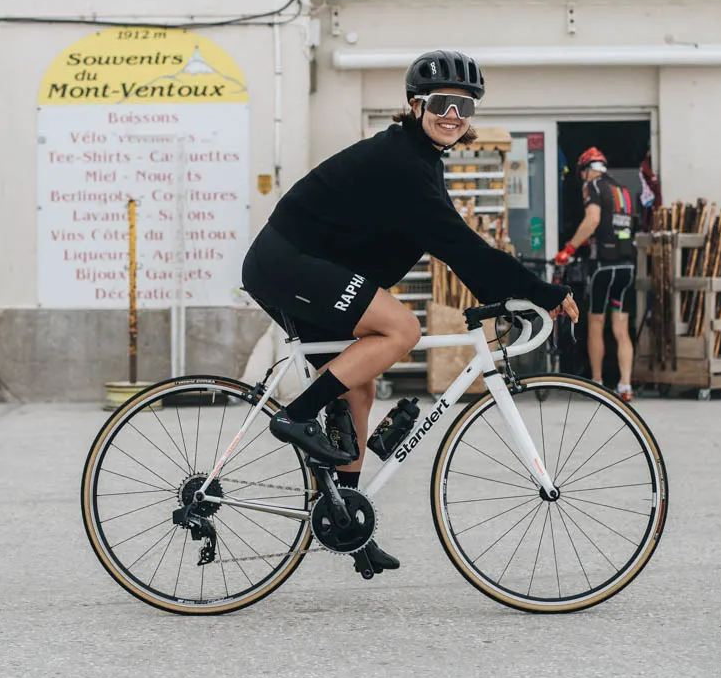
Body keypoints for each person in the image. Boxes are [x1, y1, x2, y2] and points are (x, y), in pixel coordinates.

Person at [241, 49, 579, 575]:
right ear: (416, 104)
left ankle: (344, 523)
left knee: (359, 386)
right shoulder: (403, 163)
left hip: (303, 266)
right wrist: (545, 292)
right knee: (402, 328)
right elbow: (464, 248)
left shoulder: (419, 161)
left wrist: (515, 292)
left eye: (465, 108)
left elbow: (454, 247)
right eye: (443, 103)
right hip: (286, 264)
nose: (453, 116)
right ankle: (296, 414)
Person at [555, 146, 637, 401]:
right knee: (621, 328)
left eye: (582, 174)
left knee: (596, 323)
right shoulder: (622, 190)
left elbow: (592, 219)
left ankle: (597, 383)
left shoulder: (593, 186)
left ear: (587, 170)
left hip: (602, 265)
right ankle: (625, 386)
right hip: (627, 266)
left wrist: (568, 249)